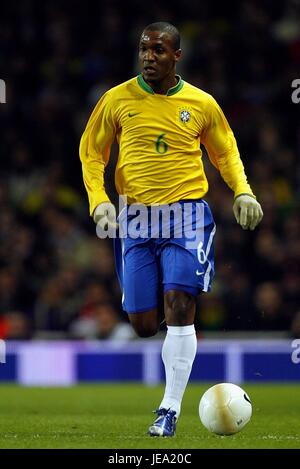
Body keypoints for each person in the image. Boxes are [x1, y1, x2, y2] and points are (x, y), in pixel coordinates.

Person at [79, 21, 263, 437]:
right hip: (136, 219)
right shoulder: (116, 100)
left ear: (176, 56)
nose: (149, 57)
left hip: (187, 215)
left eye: (159, 50)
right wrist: (100, 202)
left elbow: (225, 151)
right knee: (143, 324)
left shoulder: (201, 104)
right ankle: (172, 331)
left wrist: (243, 192)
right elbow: (91, 154)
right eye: (144, 49)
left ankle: (169, 409)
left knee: (180, 303)